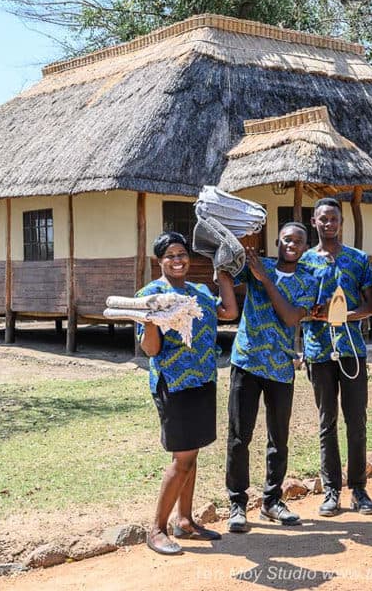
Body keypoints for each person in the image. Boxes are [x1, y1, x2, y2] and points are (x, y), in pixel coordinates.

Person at [137, 231, 239, 555]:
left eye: (182, 254)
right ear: (160, 261)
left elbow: (229, 313)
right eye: (171, 255)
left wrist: (222, 272)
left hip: (203, 381)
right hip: (174, 384)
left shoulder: (198, 292)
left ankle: (184, 521)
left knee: (191, 453)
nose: (178, 260)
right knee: (182, 458)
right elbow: (151, 350)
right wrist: (151, 319)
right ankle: (156, 529)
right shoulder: (151, 294)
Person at [225, 223, 316, 532]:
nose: (292, 244)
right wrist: (225, 257)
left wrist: (267, 282)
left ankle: (271, 501)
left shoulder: (308, 279)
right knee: (240, 436)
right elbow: (226, 273)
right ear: (278, 241)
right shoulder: (257, 265)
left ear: (305, 247)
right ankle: (237, 504)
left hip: (279, 367)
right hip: (247, 361)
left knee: (279, 438)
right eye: (287, 239)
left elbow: (291, 317)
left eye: (299, 241)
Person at [299, 197, 372, 517]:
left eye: (334, 218)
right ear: (314, 223)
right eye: (322, 218)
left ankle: (359, 488)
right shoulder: (304, 262)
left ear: (341, 222)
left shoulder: (358, 260)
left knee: (356, 420)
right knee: (326, 422)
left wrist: (344, 317)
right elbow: (298, 308)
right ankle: (331, 491)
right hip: (318, 352)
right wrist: (312, 315)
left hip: (351, 351)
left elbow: (371, 306)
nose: (328, 223)